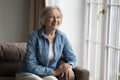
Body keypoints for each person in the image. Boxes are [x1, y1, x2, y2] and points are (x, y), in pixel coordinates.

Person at [15, 6, 77, 80]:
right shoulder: (34, 36)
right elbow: (30, 65)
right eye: (51, 17)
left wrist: (69, 66)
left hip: (47, 75)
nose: (55, 20)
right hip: (28, 73)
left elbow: (73, 58)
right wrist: (54, 72)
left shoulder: (62, 37)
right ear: (44, 19)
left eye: (58, 17)